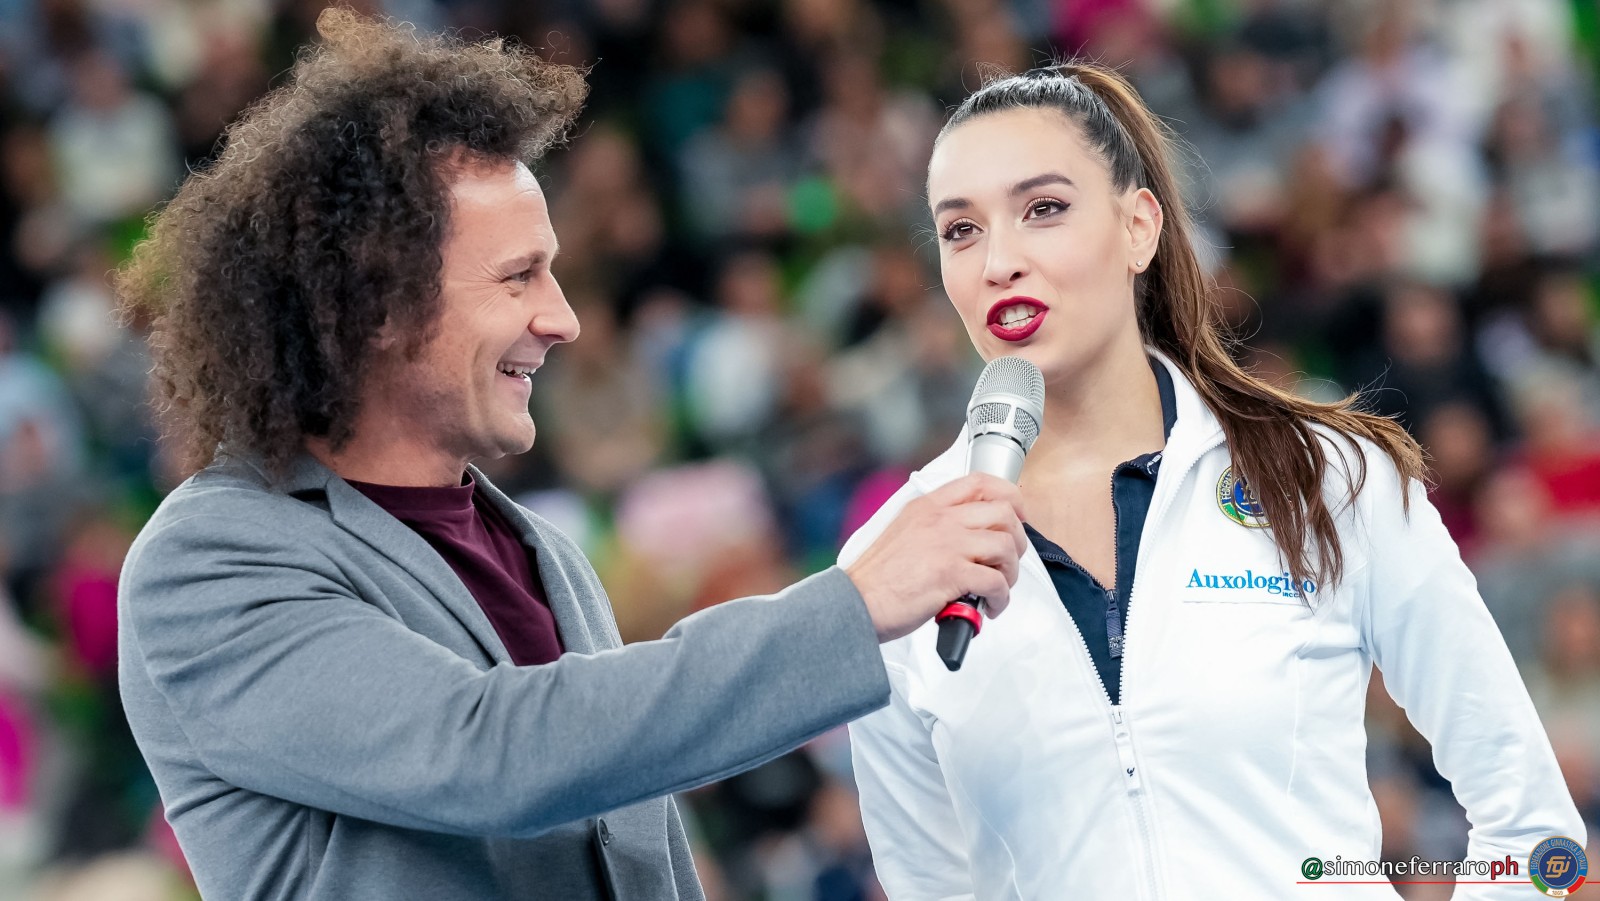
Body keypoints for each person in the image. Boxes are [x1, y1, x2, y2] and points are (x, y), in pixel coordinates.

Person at [112, 13, 1028, 901]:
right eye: (519, 276)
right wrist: (853, 605)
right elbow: (492, 753)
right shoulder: (209, 564)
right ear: (376, 303)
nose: (563, 318)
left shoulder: (546, 554)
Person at [841, 62, 1585, 900]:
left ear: (1139, 228)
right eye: (960, 230)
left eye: (1043, 208)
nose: (999, 261)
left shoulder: (1324, 476)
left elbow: (1538, 839)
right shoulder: (889, 563)